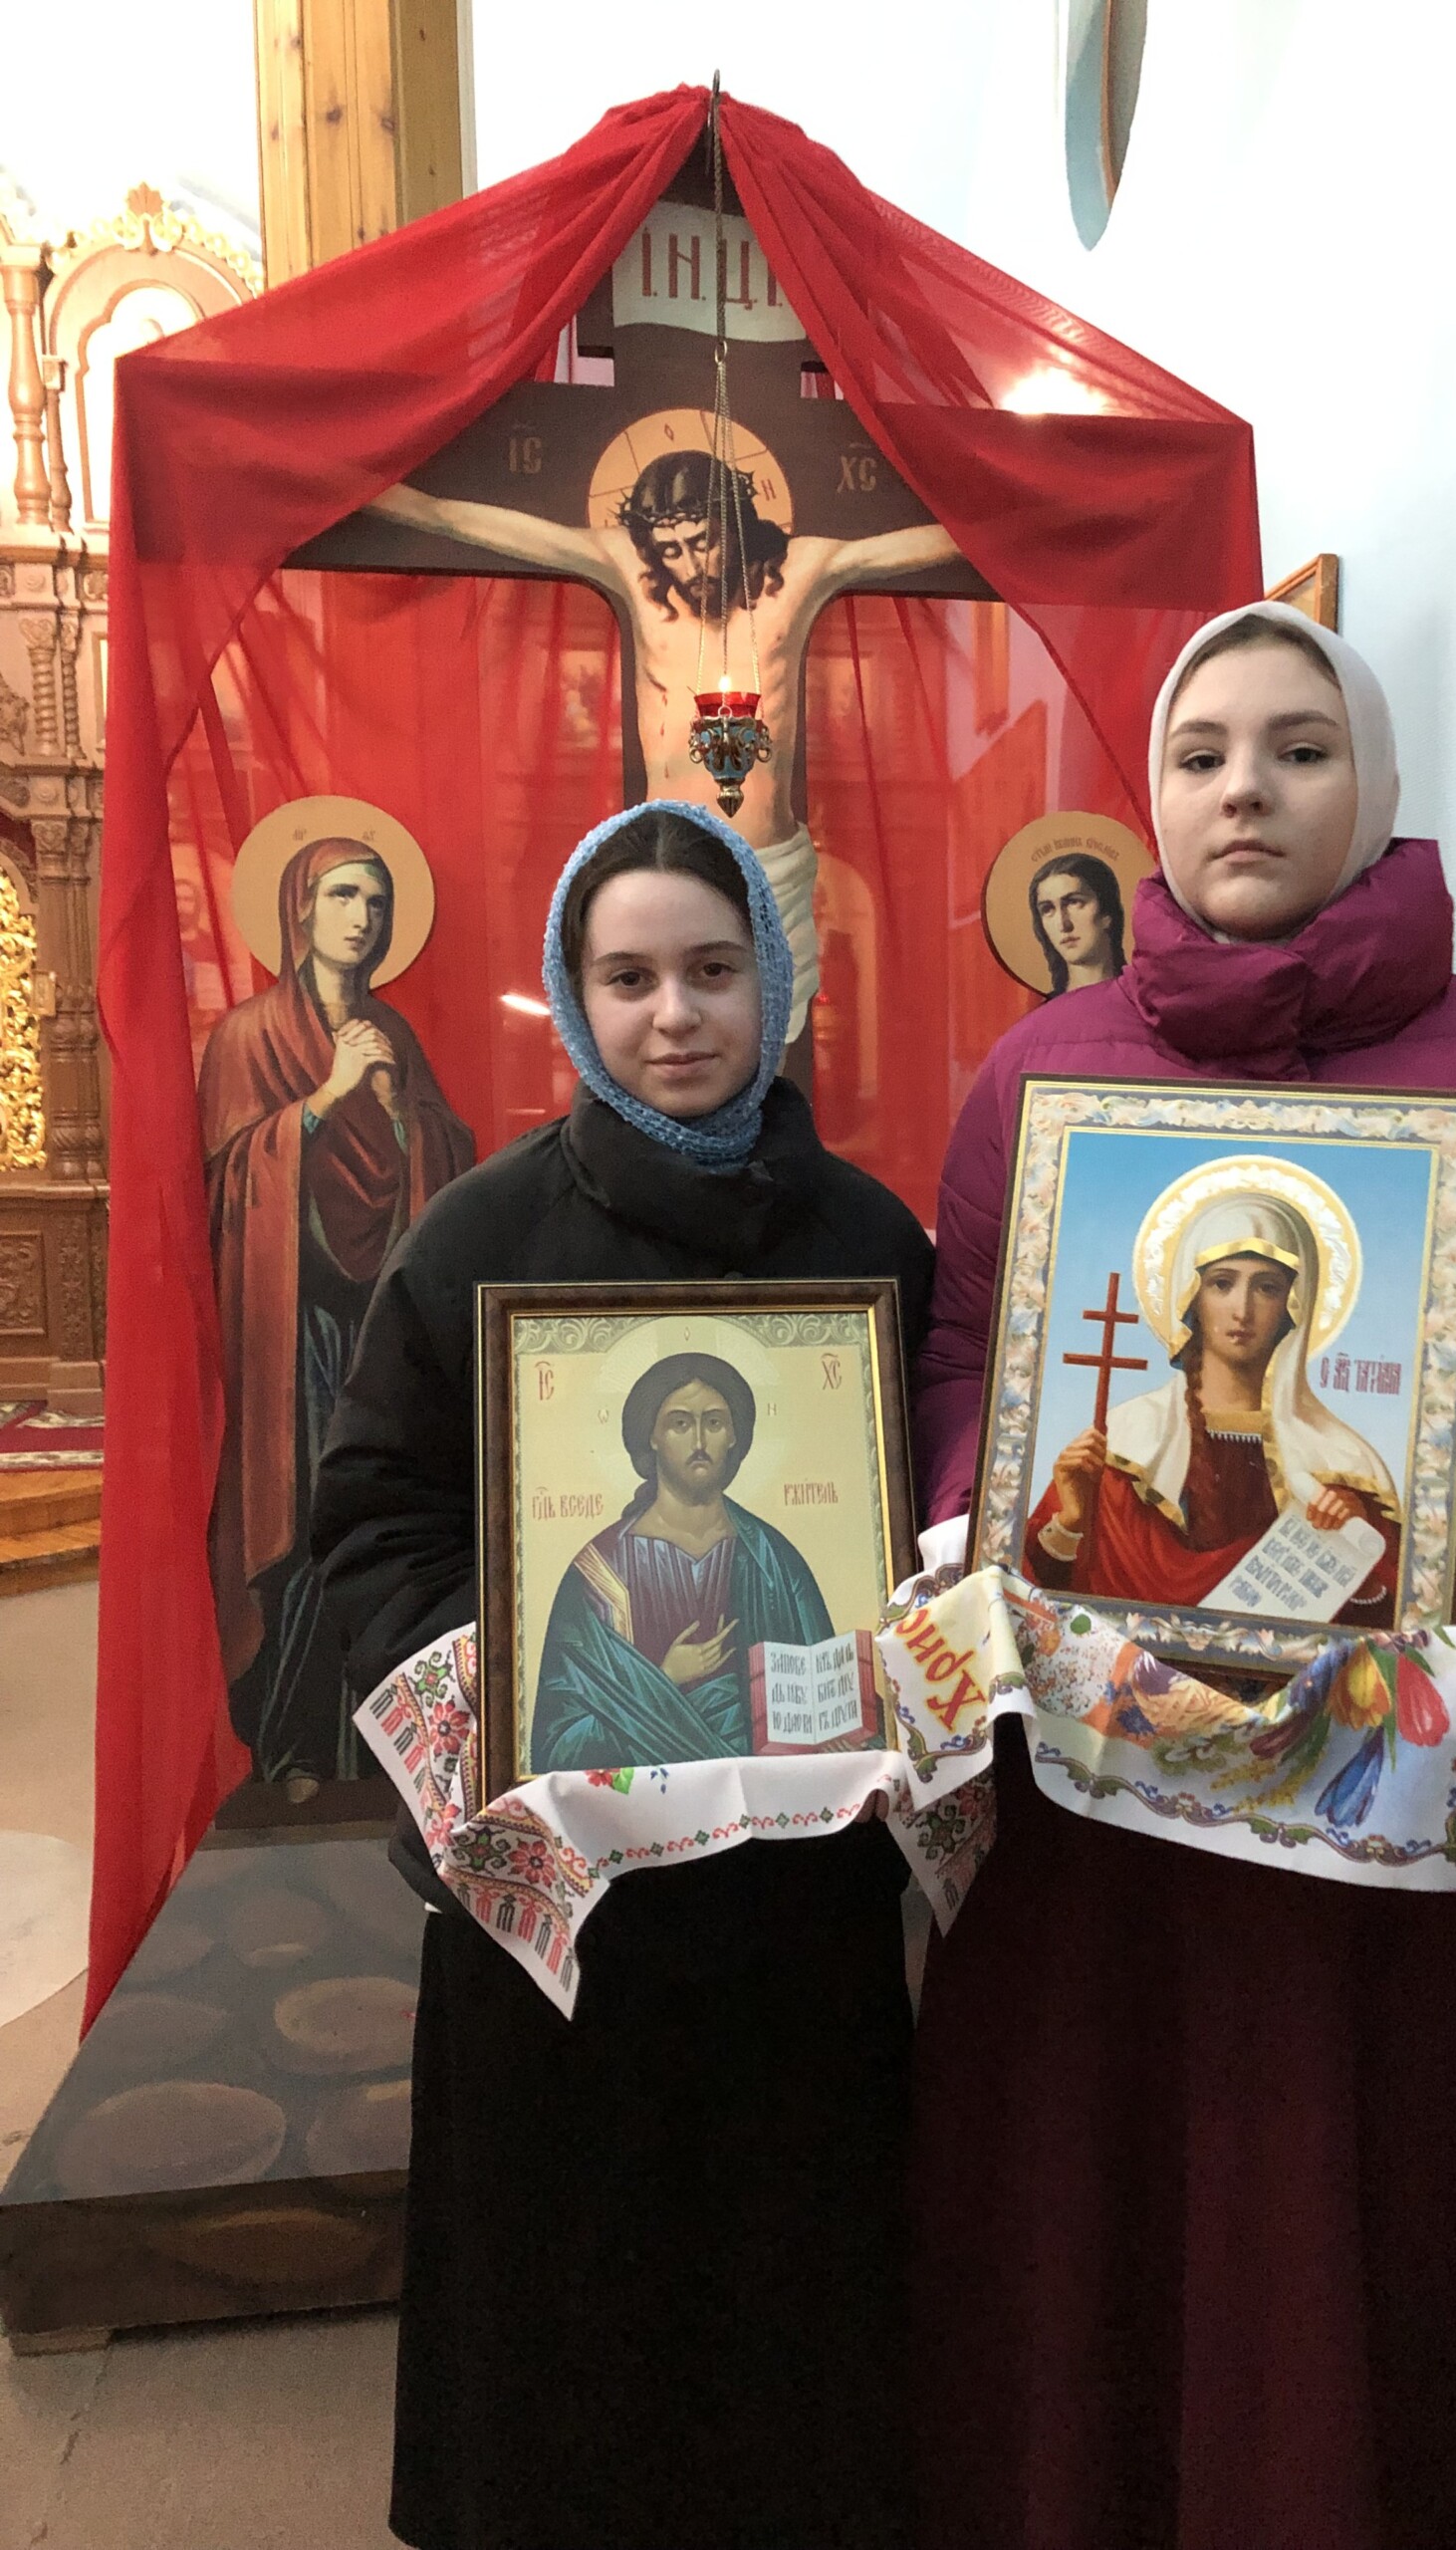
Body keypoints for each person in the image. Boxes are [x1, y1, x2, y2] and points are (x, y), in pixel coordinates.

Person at [910, 602, 1456, 2550]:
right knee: (1102, 2212)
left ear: (1373, 779)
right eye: (1201, 755)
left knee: (1386, 2223)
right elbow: (963, 1364)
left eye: (1297, 747)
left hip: (1390, 1789)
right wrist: (988, 1529)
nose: (1245, 790)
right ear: (1153, 794)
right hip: (1105, 1793)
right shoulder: (1042, 1072)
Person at [309, 799, 933, 2550]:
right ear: (575, 998)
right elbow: (374, 1519)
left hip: (796, 1895)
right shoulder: (475, 1238)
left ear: (775, 984)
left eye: (714, 971)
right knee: (565, 2291)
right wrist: (514, 1697)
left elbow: (912, 1523)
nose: (676, 1015)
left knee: (795, 2278)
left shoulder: (871, 1241)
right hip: (567, 1895)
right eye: (631, 977)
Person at [367, 447, 959, 1029]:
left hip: (771, 862)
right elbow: (458, 519)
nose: (690, 564)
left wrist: (1009, 513)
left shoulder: (801, 569)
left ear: (735, 524)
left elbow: (929, 544)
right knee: (665, 1024)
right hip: (670, 861)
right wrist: (356, 485)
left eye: (704, 542)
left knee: (773, 1028)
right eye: (671, 550)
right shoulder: (630, 566)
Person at [200, 835, 473, 1791]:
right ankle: (295, 1750)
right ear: (300, 909)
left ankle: (381, 1749)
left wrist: (398, 1111)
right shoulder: (248, 1037)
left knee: (384, 1518)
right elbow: (229, 1186)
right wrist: (323, 1099)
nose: (362, 918)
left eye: (378, 901)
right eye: (344, 896)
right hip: (297, 1331)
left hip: (383, 1327)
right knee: (306, 1525)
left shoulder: (393, 1033)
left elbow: (449, 1161)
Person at [1024, 1181, 1399, 1624]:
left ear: (1294, 1305)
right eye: (1222, 1283)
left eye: (1267, 1288)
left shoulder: (1340, 1463)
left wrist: (1351, 1549)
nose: (1243, 1309)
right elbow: (1038, 1601)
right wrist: (1071, 1520)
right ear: (1191, 1297)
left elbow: (1389, 1627)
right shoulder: (1128, 1444)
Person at [531, 1351, 834, 1770]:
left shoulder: (774, 1561)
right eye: (680, 1423)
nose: (699, 1443)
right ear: (651, 1436)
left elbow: (829, 1706)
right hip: (635, 1804)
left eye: (714, 1423)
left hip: (767, 1793)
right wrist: (663, 1680)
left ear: (734, 1436)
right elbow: (556, 1748)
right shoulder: (598, 1573)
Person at [1029, 850, 1126, 992]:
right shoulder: (1049, 1007)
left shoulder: (1143, 999)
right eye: (1048, 909)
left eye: (1074, 902)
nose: (1063, 924)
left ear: (1107, 913)